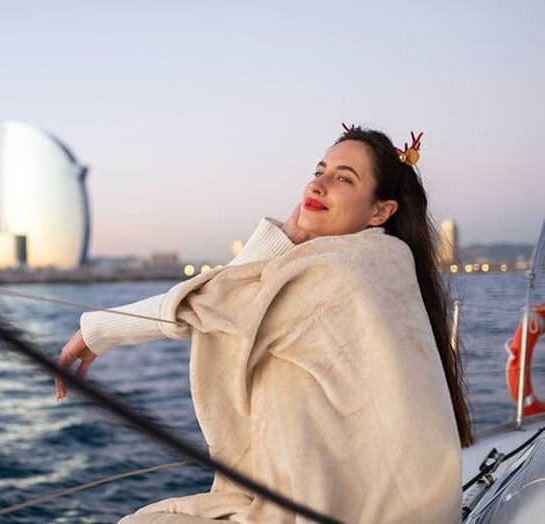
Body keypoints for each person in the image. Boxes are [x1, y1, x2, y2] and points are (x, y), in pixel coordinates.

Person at [55, 125, 472, 524]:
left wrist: (98, 331)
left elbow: (217, 302)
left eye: (344, 179)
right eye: (319, 171)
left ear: (381, 210)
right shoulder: (384, 267)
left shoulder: (343, 274)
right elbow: (236, 293)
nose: (317, 185)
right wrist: (289, 237)